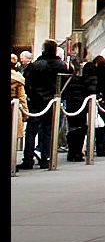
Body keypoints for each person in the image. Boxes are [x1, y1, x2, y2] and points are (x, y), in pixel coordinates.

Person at [21, 40, 67, 169]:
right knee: (48, 131)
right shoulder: (61, 65)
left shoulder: (36, 65)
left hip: (36, 100)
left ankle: (28, 159)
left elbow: (27, 81)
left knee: (31, 131)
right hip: (53, 100)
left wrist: (32, 94)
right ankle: (46, 158)